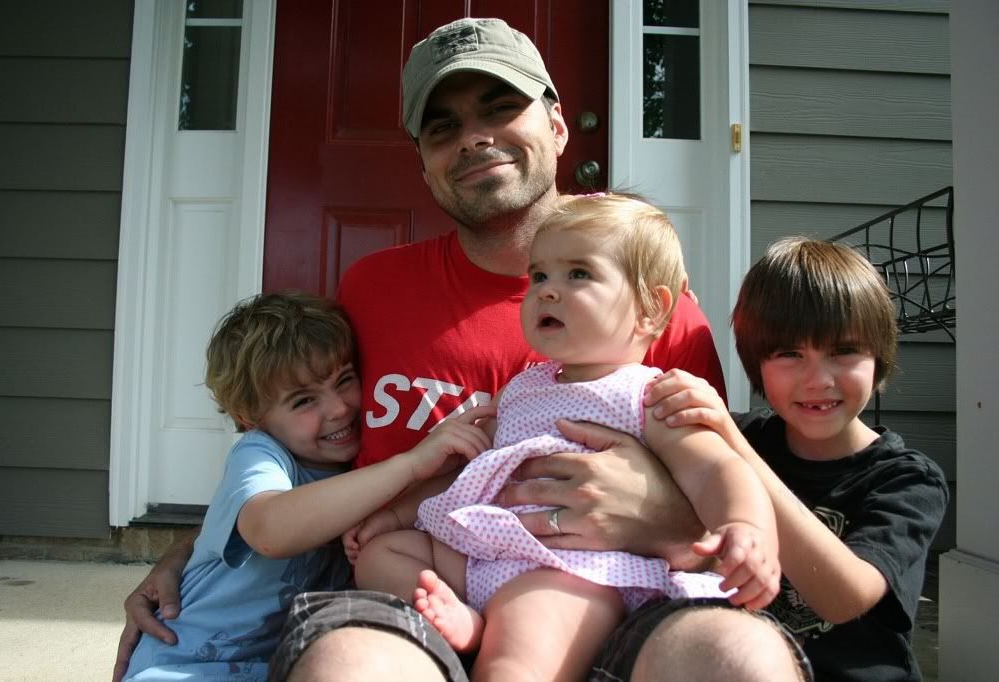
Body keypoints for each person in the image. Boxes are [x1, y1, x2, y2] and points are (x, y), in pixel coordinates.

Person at [115, 17, 810, 682]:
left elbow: (721, 479)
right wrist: (197, 556)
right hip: (420, 588)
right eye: (442, 128)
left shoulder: (656, 313)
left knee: (736, 660)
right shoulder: (372, 289)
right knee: (347, 670)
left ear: (558, 124)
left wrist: (678, 525)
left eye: (499, 108)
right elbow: (297, 446)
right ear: (423, 164)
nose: (474, 139)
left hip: (595, 587)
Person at [346, 193, 781, 680]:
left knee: (516, 662)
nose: (547, 291)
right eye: (539, 276)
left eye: (578, 274)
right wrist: (396, 515)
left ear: (650, 309)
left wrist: (747, 528)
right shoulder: (523, 386)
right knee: (383, 559)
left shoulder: (648, 395)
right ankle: (470, 620)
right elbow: (469, 467)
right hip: (479, 552)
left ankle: (490, 637)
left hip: (568, 571)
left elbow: (716, 469)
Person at [122, 291, 494, 680]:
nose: (338, 408)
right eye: (303, 401)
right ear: (250, 416)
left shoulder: (356, 468)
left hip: (271, 667)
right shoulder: (260, 454)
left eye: (345, 380)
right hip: (183, 663)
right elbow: (270, 530)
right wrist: (412, 464)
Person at [648, 237, 950, 680]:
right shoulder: (743, 437)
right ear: (757, 363)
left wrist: (734, 448)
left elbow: (844, 598)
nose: (818, 380)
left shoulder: (907, 480)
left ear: (878, 355)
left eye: (843, 351)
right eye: (789, 354)